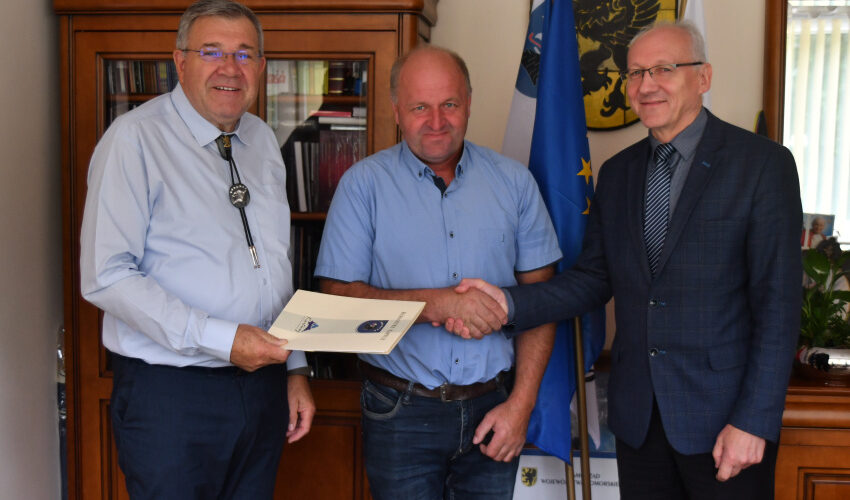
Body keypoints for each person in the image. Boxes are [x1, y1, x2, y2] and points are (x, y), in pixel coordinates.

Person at [454, 21, 802, 499]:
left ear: (703, 76)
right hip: (639, 421)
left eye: (664, 69)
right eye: (635, 73)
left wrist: (753, 422)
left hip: (725, 422)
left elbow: (778, 307)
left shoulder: (762, 165)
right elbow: (594, 278)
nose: (646, 85)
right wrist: (509, 303)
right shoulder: (618, 173)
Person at [79, 1, 315, 498]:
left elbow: (274, 267)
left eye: (244, 54)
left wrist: (294, 368)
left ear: (261, 67)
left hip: (264, 388)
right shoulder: (134, 140)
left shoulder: (262, 139)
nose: (230, 68)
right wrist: (223, 339)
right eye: (212, 51)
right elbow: (107, 276)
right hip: (171, 396)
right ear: (180, 61)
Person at [313, 45, 562, 500]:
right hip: (398, 412)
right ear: (396, 111)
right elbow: (337, 305)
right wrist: (439, 304)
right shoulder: (362, 186)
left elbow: (542, 305)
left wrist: (521, 405)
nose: (436, 121)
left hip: (495, 409)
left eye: (449, 103)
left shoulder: (514, 183)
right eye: (419, 107)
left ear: (468, 103)